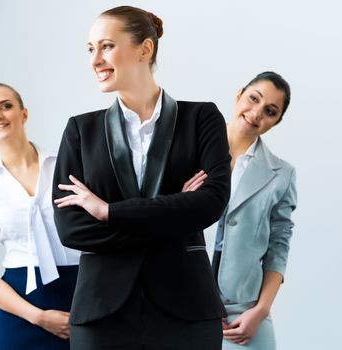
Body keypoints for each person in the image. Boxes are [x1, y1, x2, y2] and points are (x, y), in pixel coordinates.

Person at [52, 6, 231, 350]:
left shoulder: (202, 119)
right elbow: (70, 227)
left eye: (106, 46)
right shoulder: (81, 130)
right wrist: (174, 214)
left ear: (144, 49)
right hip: (102, 315)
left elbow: (210, 204)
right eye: (90, 49)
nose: (95, 60)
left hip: (186, 312)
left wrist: (109, 212)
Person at [0, 83, 80, 350]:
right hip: (19, 307)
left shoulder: (66, 165)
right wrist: (37, 317)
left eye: (6, 106)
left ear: (23, 114)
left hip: (79, 294)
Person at [211, 71, 297, 349]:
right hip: (180, 300)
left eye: (270, 111)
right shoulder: (189, 149)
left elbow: (279, 246)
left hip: (242, 310)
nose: (256, 113)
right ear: (239, 95)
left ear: (276, 122)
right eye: (253, 98)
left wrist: (260, 310)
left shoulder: (281, 174)